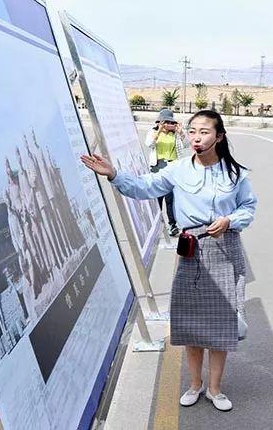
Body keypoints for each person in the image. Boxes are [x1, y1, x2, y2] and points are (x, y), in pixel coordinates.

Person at [81, 110, 256, 412]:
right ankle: (194, 384)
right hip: (191, 251)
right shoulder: (177, 170)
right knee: (191, 324)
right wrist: (113, 174)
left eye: (204, 131)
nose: (197, 137)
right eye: (192, 131)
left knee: (221, 324)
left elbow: (249, 208)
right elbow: (144, 187)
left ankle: (215, 389)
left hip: (225, 250)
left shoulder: (235, 174)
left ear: (219, 136)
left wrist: (230, 220)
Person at [145, 108, 188, 236]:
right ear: (159, 122)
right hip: (158, 166)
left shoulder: (175, 134)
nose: (170, 125)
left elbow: (186, 145)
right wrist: (158, 131)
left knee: (170, 198)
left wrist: (181, 133)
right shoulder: (152, 132)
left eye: (172, 122)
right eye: (167, 122)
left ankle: (172, 225)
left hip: (172, 167)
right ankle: (156, 224)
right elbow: (149, 144)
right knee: (157, 197)